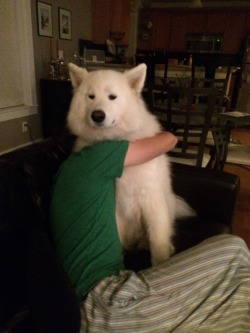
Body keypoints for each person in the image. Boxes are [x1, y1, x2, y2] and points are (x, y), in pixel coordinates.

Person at [50, 132, 250, 332]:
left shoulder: (67, 176)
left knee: (235, 294)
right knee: (234, 247)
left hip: (102, 313)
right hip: (108, 305)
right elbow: (168, 140)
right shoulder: (94, 157)